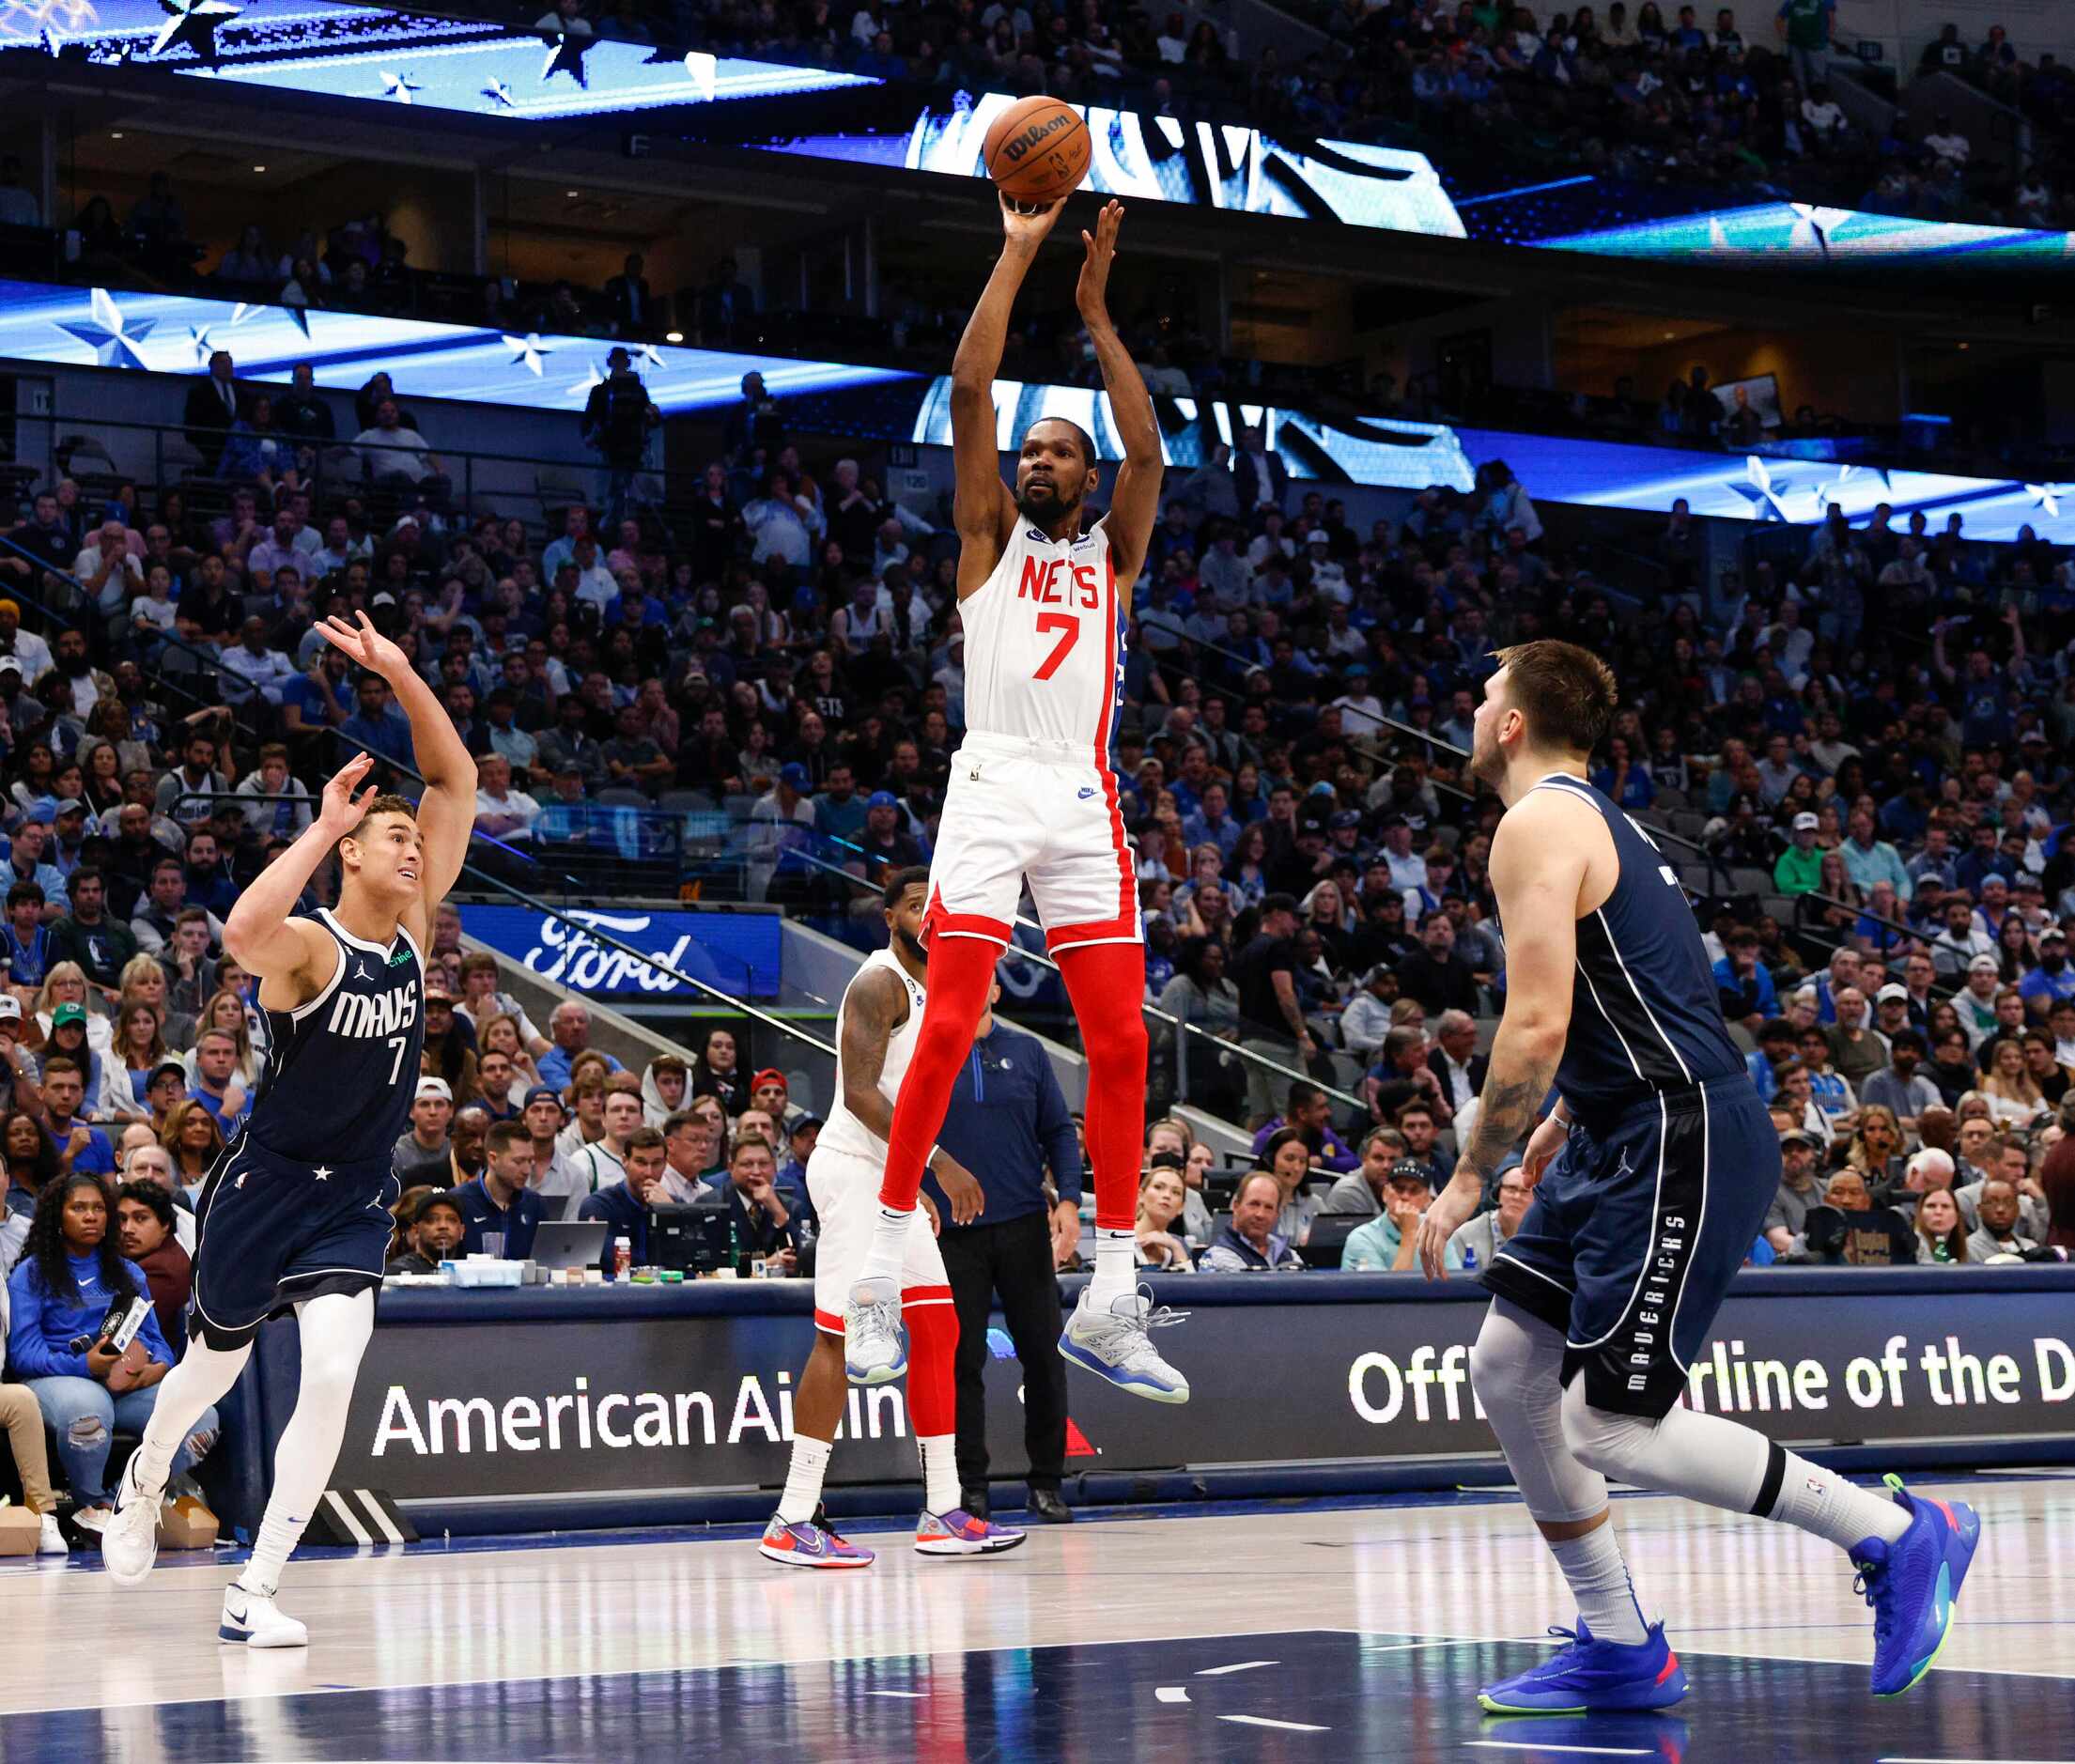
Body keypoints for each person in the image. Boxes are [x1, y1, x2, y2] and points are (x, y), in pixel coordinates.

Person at [1416, 640, 1975, 1713]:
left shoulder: (1535, 822)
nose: (1473, 709)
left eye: (1484, 694)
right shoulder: (1597, 818)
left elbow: (1533, 1024)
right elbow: (1639, 994)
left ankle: (1899, 1535)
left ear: (1512, 725)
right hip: (1623, 1124)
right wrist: (1569, 1116)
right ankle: (1620, 1644)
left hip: (1679, 1132)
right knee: (1506, 1367)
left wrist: (1467, 1176)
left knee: (1612, 1421)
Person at [844, 196, 1182, 1407]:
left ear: (1085, 478)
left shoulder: (1113, 555)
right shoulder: (986, 537)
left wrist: (1094, 313)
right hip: (990, 778)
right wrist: (1023, 249)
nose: (1036, 460)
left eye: (1056, 452)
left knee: (1124, 1040)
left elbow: (1150, 453)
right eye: (1028, 451)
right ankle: (885, 1260)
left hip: (1084, 795)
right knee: (947, 1018)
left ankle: (1112, 1289)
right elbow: (969, 385)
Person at [100, 610, 475, 1650]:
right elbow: (240, 934)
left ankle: (255, 1587)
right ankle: (142, 1479)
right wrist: (319, 824)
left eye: (413, 839)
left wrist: (398, 670)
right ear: (350, 854)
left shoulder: (412, 921)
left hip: (355, 1190)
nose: (416, 845)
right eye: (393, 837)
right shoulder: (310, 946)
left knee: (336, 1369)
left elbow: (454, 782)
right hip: (266, 1182)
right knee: (208, 1370)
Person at [762, 870, 1023, 1567]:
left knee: (938, 1325)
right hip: (853, 1170)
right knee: (839, 1339)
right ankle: (791, 1517)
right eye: (915, 907)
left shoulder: (942, 986)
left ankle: (943, 1508)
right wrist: (936, 1164)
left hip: (893, 1173)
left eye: (934, 905)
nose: (927, 916)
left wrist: (914, 1176)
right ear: (890, 917)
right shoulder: (876, 984)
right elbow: (860, 1095)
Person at [934, 967, 1084, 1524]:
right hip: (950, 1233)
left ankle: (1047, 1482)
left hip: (1023, 1222)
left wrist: (1068, 1199)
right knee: (959, 1360)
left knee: (1044, 1356)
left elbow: (1060, 1133)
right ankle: (968, 1486)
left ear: (995, 989)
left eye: (983, 980)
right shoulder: (926, 1047)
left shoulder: (1027, 1051)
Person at [8, 1174, 216, 1531]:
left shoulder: (128, 1272)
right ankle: (91, 1504)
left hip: (125, 1387)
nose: (91, 1217)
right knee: (90, 1411)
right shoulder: (31, 1274)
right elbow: (23, 1355)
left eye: (99, 1209)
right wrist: (84, 1364)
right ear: (58, 1217)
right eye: (78, 1208)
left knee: (201, 1417)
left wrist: (159, 1367)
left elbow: (158, 1340)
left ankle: (126, 1498)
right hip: (58, 1381)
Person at [1343, 1159, 1459, 1272]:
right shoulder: (1362, 1238)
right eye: (1399, 1188)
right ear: (1385, 1194)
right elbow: (1390, 1291)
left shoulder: (1436, 1233)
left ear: (1427, 1200)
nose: (1405, 1197)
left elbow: (1454, 1286)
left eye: (1414, 1190)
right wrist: (1409, 1232)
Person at [449, 1120, 543, 1259]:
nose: (527, 1170)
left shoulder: (535, 1204)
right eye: (518, 1161)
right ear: (493, 1159)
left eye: (530, 1161)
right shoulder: (459, 1201)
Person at [1200, 1170, 1304, 1270]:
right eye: (1254, 1204)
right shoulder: (1218, 1257)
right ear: (1236, 1206)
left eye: (1268, 1207)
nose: (1260, 1214)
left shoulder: (1289, 1255)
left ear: (1277, 1215)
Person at [384, 1187, 462, 1274]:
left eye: (451, 1219)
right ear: (416, 1230)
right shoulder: (397, 1273)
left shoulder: (469, 1272)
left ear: (462, 1230)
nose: (443, 1226)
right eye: (431, 1220)